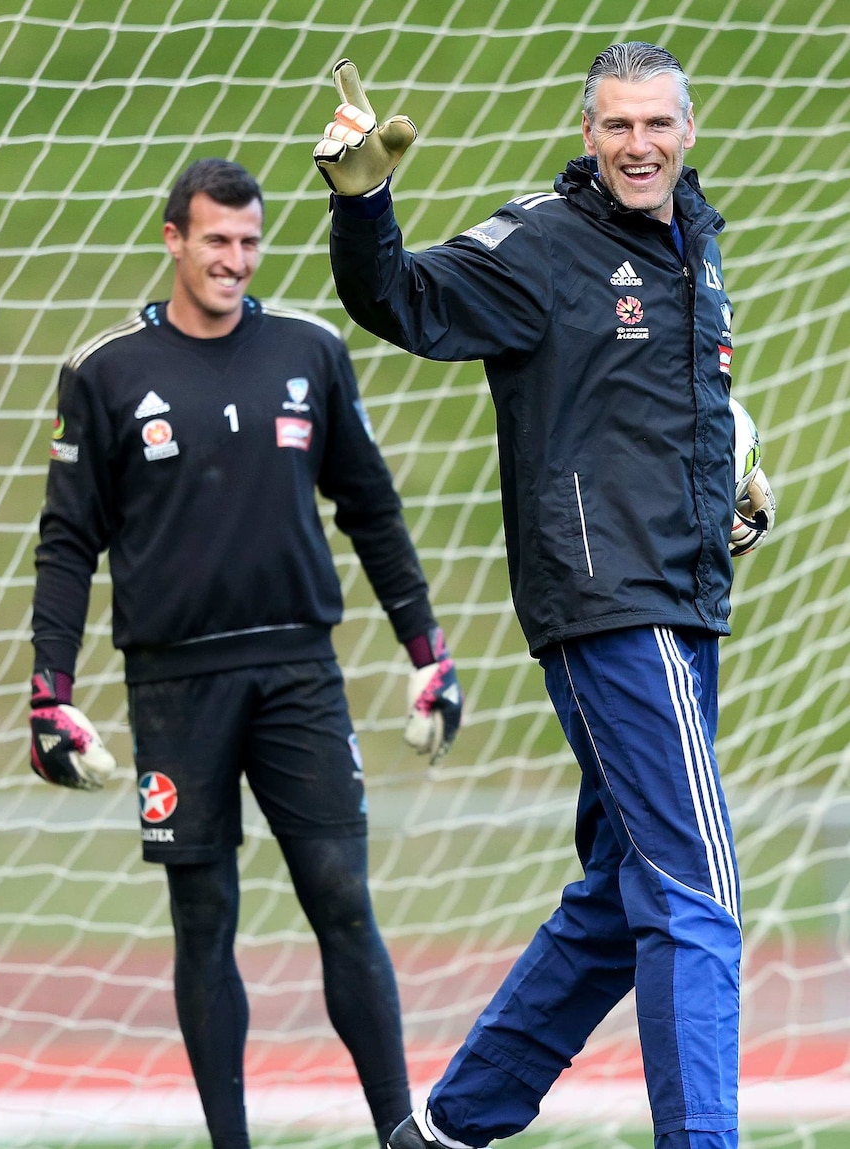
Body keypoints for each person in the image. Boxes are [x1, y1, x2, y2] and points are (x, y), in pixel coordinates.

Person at [313, 41, 776, 1149]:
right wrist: (365, 199)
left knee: (626, 900)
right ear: (586, 134)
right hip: (611, 607)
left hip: (683, 601)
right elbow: (401, 299)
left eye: (656, 124)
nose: (637, 144)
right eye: (615, 125)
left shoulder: (694, 252)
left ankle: (451, 1128)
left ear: (687, 131)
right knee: (698, 894)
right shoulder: (540, 244)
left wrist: (736, 495)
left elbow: (673, 418)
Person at [28, 157, 463, 1149]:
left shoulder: (308, 350)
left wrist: (427, 651)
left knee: (342, 899)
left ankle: (399, 1129)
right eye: (216, 240)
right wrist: (49, 693)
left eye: (250, 241)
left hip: (297, 671)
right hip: (174, 685)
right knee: (204, 916)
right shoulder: (104, 373)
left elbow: (374, 512)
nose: (235, 259)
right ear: (173, 238)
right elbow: (66, 546)